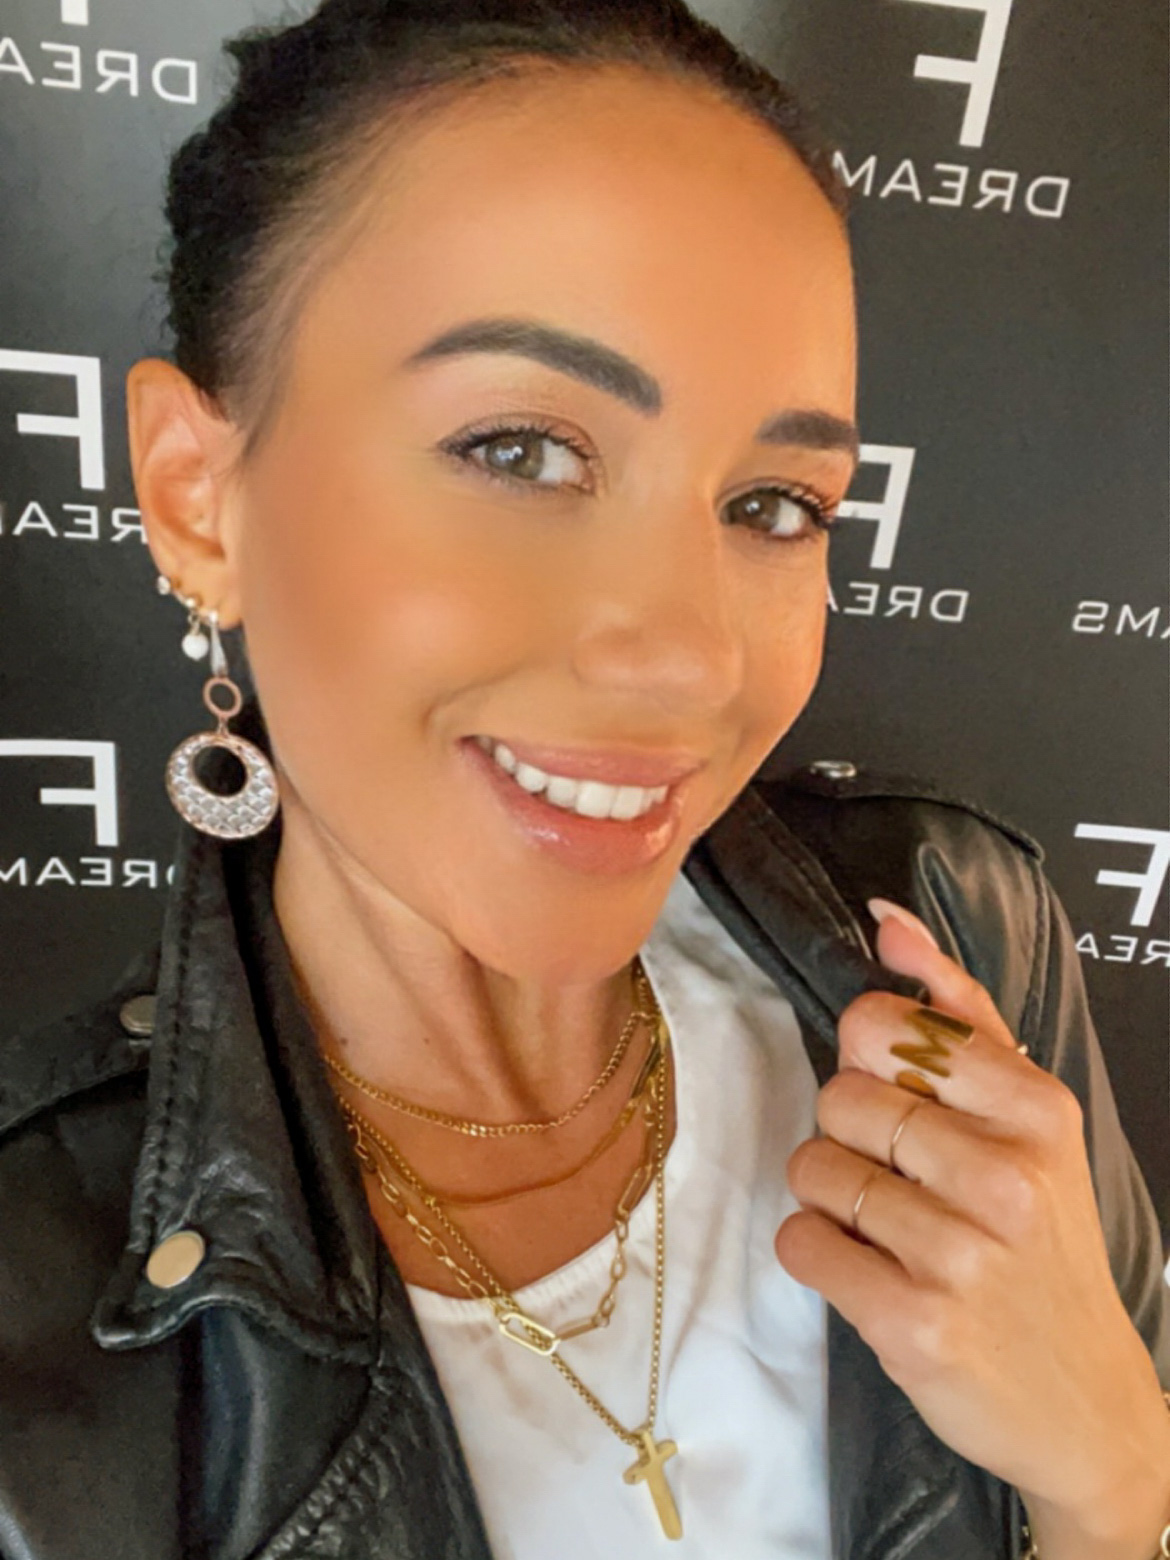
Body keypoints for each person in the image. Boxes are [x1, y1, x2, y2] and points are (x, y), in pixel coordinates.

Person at [1, 2, 1167, 1556]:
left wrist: (1112, 1479)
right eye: (519, 452)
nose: (688, 659)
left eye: (774, 502)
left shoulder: (953, 942)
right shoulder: (37, 1319)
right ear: (197, 496)